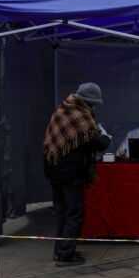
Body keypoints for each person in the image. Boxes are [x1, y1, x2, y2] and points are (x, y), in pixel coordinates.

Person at [42, 82, 111, 267]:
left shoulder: (63, 108)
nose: (95, 107)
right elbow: (95, 144)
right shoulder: (82, 116)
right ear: (88, 102)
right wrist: (105, 137)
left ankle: (60, 251)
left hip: (53, 169)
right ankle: (66, 255)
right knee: (74, 213)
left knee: (62, 212)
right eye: (95, 104)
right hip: (70, 173)